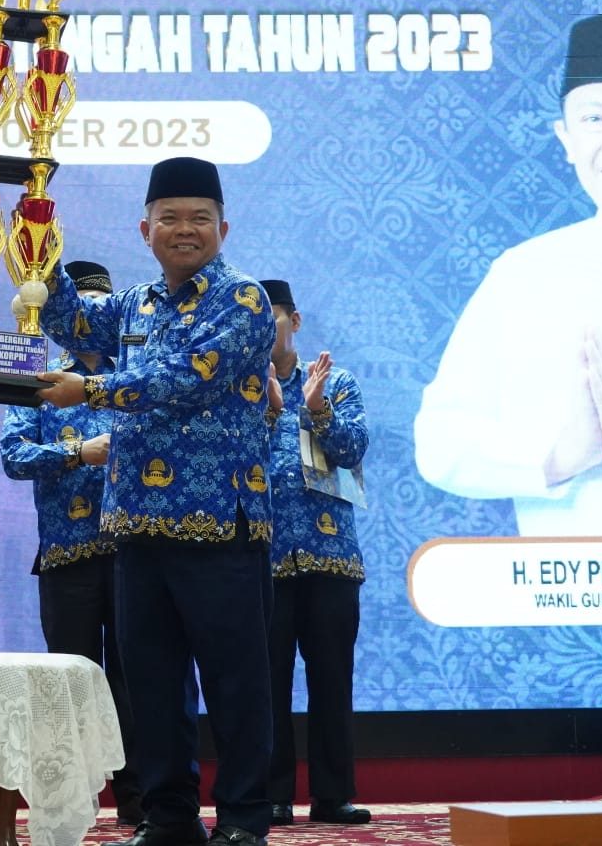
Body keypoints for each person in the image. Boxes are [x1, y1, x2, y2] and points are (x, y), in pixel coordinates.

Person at [36, 157, 276, 846]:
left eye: (199, 218)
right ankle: (170, 819)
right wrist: (39, 249)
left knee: (235, 686)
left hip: (219, 527)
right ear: (145, 229)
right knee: (153, 687)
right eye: (169, 217)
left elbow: (185, 378)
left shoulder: (244, 300)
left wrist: (92, 391)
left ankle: (241, 820)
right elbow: (69, 323)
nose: (184, 230)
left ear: (223, 228)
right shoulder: (136, 301)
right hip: (137, 526)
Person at [415, 12, 602, 537]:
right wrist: (557, 455)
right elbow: (439, 441)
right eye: (595, 120)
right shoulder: (524, 274)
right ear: (565, 139)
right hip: (559, 602)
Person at [0, 259, 142, 827]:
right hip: (65, 553)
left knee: (137, 679)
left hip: (133, 548)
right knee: (66, 685)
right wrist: (78, 454)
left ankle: (141, 801)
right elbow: (13, 457)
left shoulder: (134, 376)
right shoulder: (34, 377)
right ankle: (68, 800)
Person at [258, 279, 370, 828]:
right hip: (264, 557)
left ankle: (333, 794)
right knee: (267, 681)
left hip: (330, 554)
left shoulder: (336, 379)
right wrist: (272, 414)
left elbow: (352, 449)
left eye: (273, 317)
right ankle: (273, 793)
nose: (265, 328)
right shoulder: (238, 387)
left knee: (332, 678)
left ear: (294, 322)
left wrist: (316, 409)